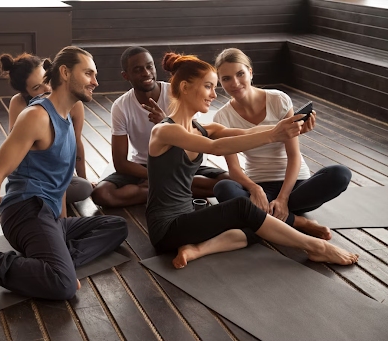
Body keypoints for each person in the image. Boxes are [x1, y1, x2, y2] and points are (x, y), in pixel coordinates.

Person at [0, 47, 128, 300]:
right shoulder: (36, 116)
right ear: (65, 73)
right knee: (63, 286)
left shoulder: (66, 115)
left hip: (49, 217)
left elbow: (60, 182)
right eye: (88, 74)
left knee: (116, 226)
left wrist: (59, 227)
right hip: (25, 211)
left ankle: (55, 263)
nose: (95, 82)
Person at [146, 52, 358, 269]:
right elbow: (216, 148)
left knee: (259, 224)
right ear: (185, 88)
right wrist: (274, 135)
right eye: (209, 86)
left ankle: (196, 250)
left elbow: (249, 131)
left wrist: (291, 126)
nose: (213, 95)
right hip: (166, 229)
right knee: (242, 208)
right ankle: (317, 247)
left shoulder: (202, 129)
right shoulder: (164, 131)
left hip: (188, 219)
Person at [212, 48, 352, 240]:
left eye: (240, 74)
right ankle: (298, 222)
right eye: (226, 78)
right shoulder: (222, 117)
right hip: (261, 189)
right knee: (223, 188)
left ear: (250, 72)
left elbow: (294, 156)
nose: (235, 83)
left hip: (297, 187)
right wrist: (255, 189)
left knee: (341, 174)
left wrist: (284, 198)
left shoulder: (278, 100)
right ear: (220, 82)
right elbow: (234, 170)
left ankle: (263, 217)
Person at [91, 46, 228, 207]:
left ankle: (159, 189)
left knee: (227, 181)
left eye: (149, 66)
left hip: (180, 165)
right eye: (138, 69)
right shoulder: (121, 106)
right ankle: (169, 188)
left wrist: (166, 123)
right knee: (102, 194)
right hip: (144, 168)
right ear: (126, 75)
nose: (146, 73)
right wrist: (155, 175)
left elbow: (194, 143)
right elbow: (120, 163)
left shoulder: (177, 93)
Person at [0, 53, 93, 204]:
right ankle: (18, 197)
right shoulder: (20, 104)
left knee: (84, 187)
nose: (47, 88)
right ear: (25, 92)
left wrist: (83, 177)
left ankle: (35, 198)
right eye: (37, 88)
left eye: (45, 80)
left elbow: (77, 142)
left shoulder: (73, 103)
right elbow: (15, 153)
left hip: (55, 176)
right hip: (30, 176)